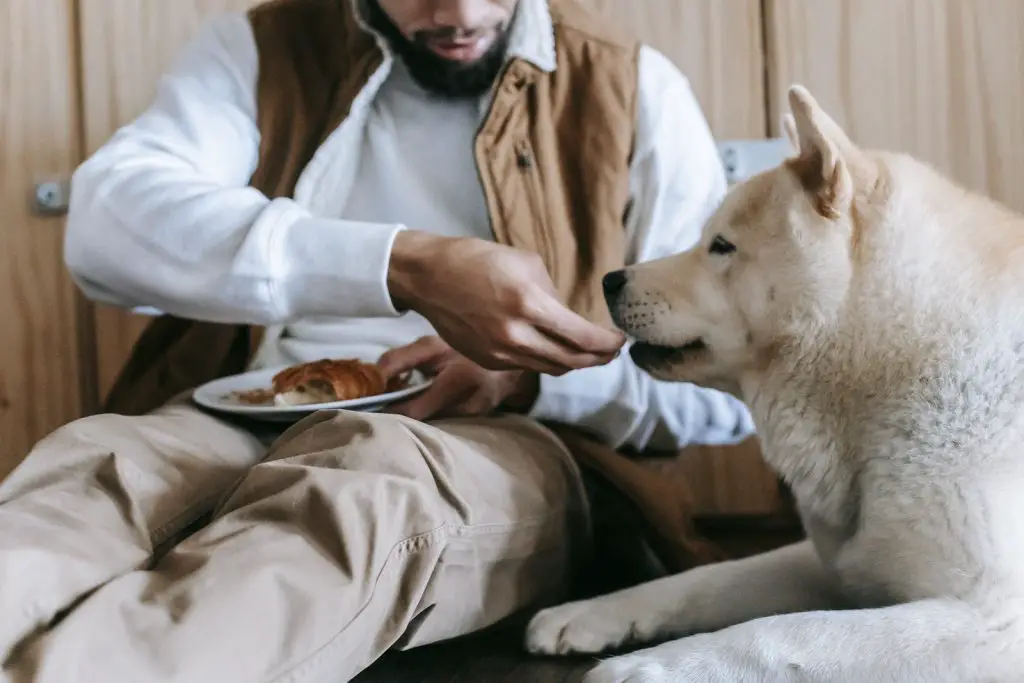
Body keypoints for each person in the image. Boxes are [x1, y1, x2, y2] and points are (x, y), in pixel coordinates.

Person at [0, 0, 754, 681]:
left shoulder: (631, 86)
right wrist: (401, 265)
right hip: (250, 404)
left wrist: (527, 378)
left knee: (365, 493)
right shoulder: (261, 49)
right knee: (96, 470)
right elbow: (105, 226)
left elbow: (730, 389)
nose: (458, 13)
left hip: (502, 436)